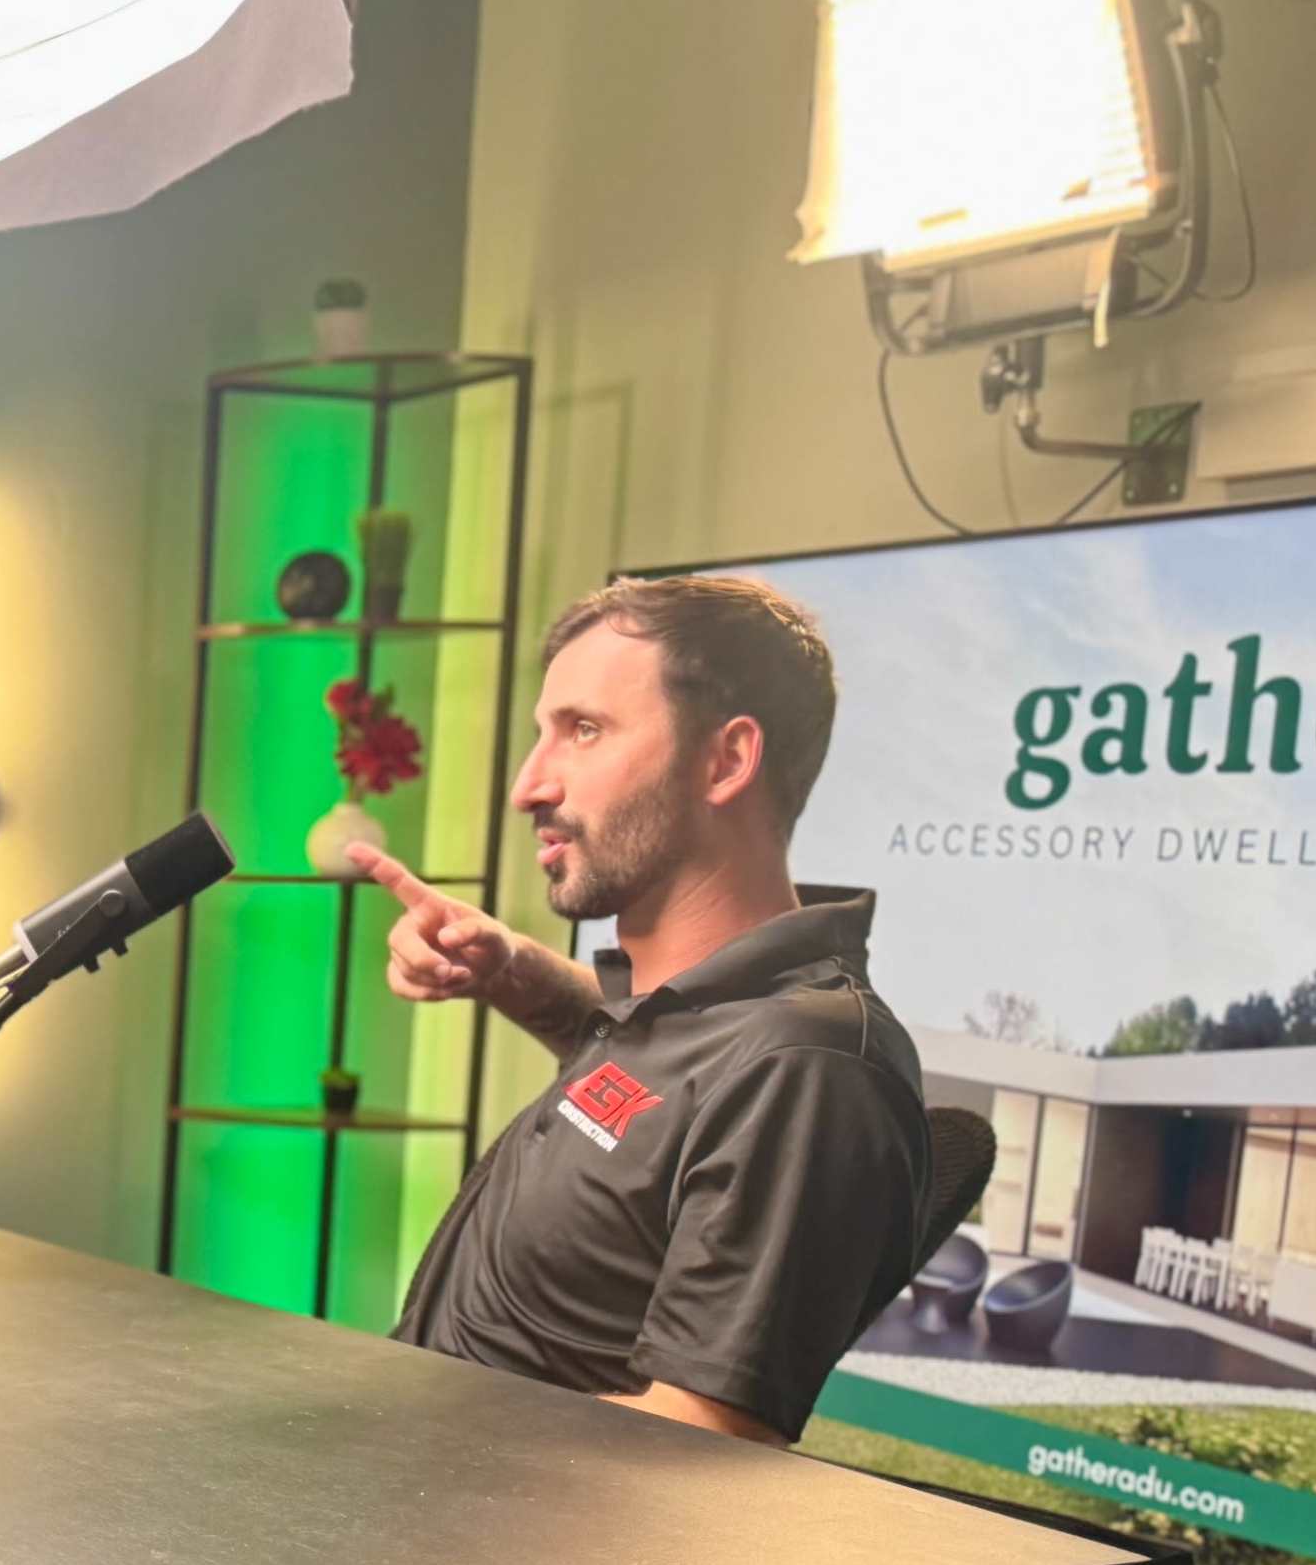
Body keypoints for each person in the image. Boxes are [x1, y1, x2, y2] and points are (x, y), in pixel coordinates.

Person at [356, 571, 926, 1446]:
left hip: (485, 1558)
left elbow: (694, 1452)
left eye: (583, 731)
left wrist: (408, 1431)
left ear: (726, 760)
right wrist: (505, 967)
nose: (529, 786)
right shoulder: (696, 1016)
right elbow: (650, 1084)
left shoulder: (804, 1068)